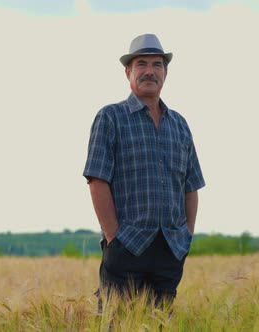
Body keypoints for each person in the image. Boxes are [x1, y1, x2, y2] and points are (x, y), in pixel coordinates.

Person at [83, 34, 205, 309]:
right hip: (127, 246)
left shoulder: (180, 125)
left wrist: (186, 235)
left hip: (170, 249)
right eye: (141, 64)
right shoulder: (110, 117)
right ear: (128, 72)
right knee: (115, 324)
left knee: (162, 324)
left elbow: (191, 185)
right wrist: (115, 238)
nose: (150, 71)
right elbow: (96, 180)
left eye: (157, 64)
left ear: (165, 73)